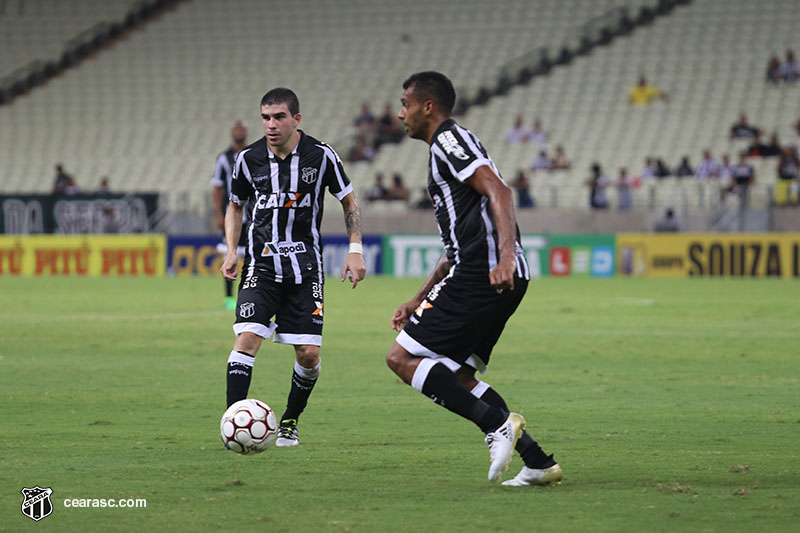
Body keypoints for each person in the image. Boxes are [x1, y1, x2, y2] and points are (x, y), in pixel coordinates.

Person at [388, 71, 561, 486]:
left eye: (405, 105)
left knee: (401, 359)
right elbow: (456, 244)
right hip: (494, 273)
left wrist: (501, 257)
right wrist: (419, 297)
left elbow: (501, 191)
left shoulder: (449, 139)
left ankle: (495, 426)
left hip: (483, 272)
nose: (400, 114)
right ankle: (537, 462)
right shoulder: (444, 148)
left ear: (427, 107)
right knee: (461, 377)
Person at [220, 87, 367, 447]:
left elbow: (348, 199)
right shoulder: (247, 159)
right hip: (261, 267)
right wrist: (231, 250)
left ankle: (289, 420)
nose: (271, 125)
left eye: (279, 117)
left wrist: (355, 249)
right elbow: (235, 205)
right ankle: (233, 421)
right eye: (266, 118)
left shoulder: (321, 156)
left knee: (309, 353)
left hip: (305, 269)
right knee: (247, 339)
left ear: (296, 119)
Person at [212, 120, 249, 310]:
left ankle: (250, 296)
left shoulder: (255, 154)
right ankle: (228, 298)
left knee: (254, 257)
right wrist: (219, 213)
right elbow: (216, 187)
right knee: (230, 255)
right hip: (232, 214)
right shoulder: (223, 158)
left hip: (252, 216)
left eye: (242, 129)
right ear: (232, 132)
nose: (240, 132)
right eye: (237, 128)